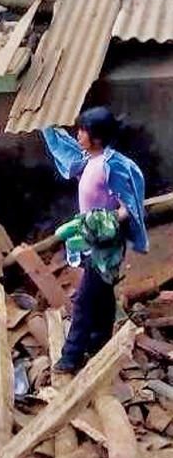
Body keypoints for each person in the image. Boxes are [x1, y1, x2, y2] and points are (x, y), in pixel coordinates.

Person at [43, 107, 148, 374]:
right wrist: (47, 127)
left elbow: (128, 207)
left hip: (106, 244)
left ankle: (70, 357)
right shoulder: (89, 160)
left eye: (82, 131)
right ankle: (99, 342)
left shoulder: (112, 167)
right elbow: (66, 153)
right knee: (100, 295)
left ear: (97, 138)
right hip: (91, 239)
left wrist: (106, 219)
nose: (77, 135)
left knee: (84, 300)